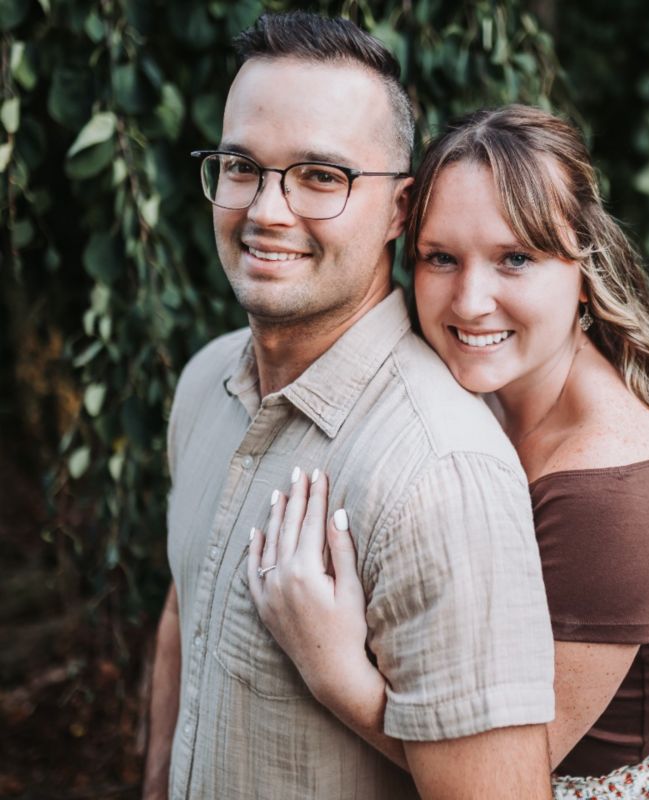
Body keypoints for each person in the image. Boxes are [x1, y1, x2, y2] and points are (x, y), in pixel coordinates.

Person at [142, 13, 557, 800]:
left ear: (400, 210)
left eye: (320, 176)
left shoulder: (439, 472)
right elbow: (182, 615)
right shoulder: (202, 385)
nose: (266, 211)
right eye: (241, 166)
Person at [248, 105, 649, 798]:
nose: (470, 302)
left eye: (515, 259)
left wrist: (333, 668)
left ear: (584, 269)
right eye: (440, 258)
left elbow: (503, 773)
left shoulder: (610, 499)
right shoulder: (482, 392)